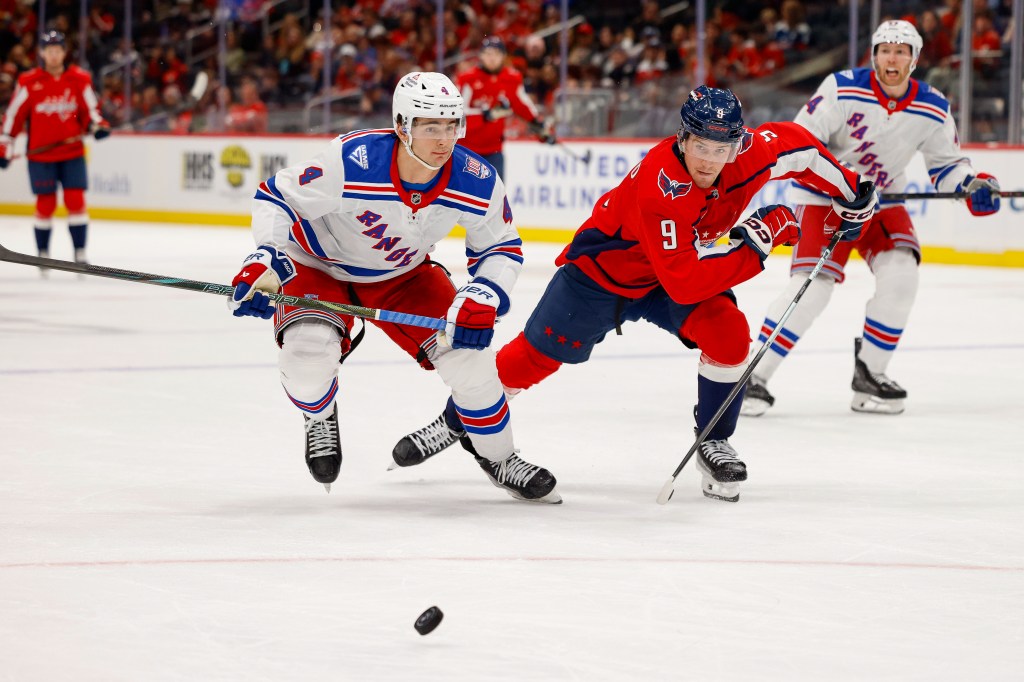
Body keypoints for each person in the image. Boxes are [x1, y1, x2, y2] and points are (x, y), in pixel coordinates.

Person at [391, 85, 875, 503]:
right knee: (530, 360)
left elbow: (805, 150)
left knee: (730, 334)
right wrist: (757, 242)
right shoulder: (660, 185)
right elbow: (686, 280)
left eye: (721, 148)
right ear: (682, 138)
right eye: (699, 145)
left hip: (670, 275)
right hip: (601, 276)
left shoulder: (752, 154)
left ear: (739, 144)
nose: (709, 158)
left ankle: (714, 440)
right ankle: (458, 421)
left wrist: (851, 189)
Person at [227, 71, 560, 504]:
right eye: (429, 127)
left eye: (451, 125)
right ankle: (320, 413)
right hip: (318, 267)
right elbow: (277, 196)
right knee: (307, 357)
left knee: (472, 364)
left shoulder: (475, 178)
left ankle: (499, 457)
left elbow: (501, 244)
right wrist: (265, 256)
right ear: (402, 126)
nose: (444, 140)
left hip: (402, 277)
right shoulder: (353, 159)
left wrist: (485, 292)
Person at [741, 20, 1001, 417]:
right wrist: (841, 183)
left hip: (883, 199)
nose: (891, 57)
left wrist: (972, 184)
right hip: (826, 196)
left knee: (902, 276)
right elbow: (801, 140)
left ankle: (871, 374)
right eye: (884, 49)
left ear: (914, 60)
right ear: (874, 55)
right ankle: (752, 376)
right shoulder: (842, 88)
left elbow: (947, 166)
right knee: (811, 290)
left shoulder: (933, 106)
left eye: (901, 51)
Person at [0, 31, 110, 268]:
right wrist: (4, 146)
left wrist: (98, 125)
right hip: (41, 156)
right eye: (49, 50)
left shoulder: (79, 79)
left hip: (72, 153)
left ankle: (80, 253)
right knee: (45, 204)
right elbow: (13, 117)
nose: (53, 54)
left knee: (75, 200)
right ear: (41, 52)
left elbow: (92, 111)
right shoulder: (28, 82)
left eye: (57, 50)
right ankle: (43, 253)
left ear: (64, 52)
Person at [455, 35, 555, 178]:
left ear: (503, 57)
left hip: (494, 150)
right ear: (481, 56)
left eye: (496, 54)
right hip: (466, 150)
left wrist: (538, 124)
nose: (492, 58)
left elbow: (522, 105)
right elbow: (457, 116)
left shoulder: (512, 78)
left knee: (496, 198)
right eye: (488, 54)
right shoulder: (468, 79)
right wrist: (485, 115)